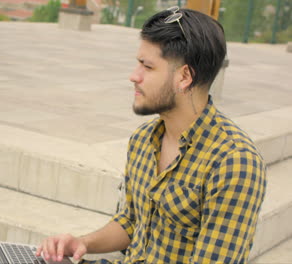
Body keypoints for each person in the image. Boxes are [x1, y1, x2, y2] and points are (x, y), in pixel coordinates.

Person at [35, 6, 266, 264]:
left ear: (184, 77)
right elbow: (132, 221)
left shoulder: (234, 162)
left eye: (147, 66)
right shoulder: (144, 139)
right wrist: (82, 244)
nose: (134, 76)